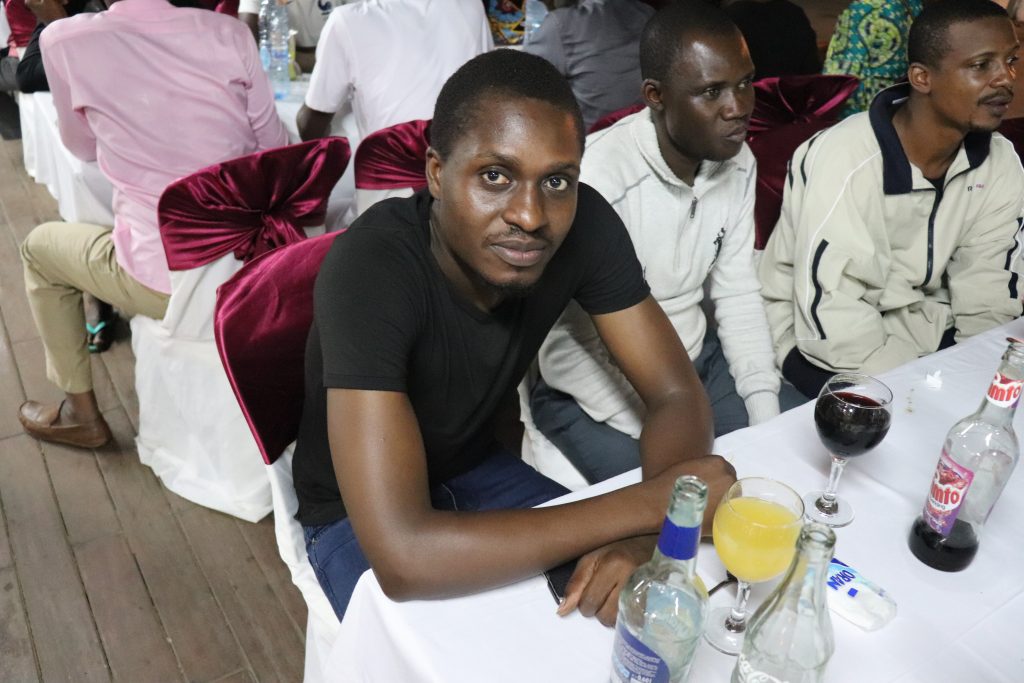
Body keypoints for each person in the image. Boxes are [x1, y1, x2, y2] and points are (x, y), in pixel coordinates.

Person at [292, 48, 736, 623]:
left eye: (556, 180)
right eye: (495, 176)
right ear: (436, 173)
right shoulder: (371, 267)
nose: (530, 215)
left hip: (476, 469)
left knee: (622, 624)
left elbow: (674, 392)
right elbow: (405, 557)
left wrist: (643, 537)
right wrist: (659, 506)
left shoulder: (584, 225)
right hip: (354, 514)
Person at [532, 1, 797, 486]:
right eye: (711, 91)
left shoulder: (738, 160)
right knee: (679, 506)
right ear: (655, 95)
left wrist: (764, 414)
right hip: (592, 389)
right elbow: (568, 341)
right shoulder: (598, 183)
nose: (738, 107)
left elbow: (737, 294)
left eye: (745, 82)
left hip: (696, 360)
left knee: (791, 459)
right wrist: (671, 423)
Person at [17, 0, 289, 448]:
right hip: (254, 261)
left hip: (167, 278)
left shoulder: (64, 38)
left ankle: (80, 414)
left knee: (39, 249)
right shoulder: (230, 33)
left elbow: (82, 149)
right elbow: (275, 147)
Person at [760, 0, 1024, 400]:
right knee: (893, 416)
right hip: (818, 340)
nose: (1005, 78)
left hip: (927, 330)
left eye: (1011, 60)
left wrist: (973, 372)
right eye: (981, 65)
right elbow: (834, 318)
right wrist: (923, 388)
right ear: (922, 77)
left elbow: (988, 290)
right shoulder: (845, 159)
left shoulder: (999, 161)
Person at [296, 0, 493, 142]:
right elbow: (490, 92)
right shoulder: (471, 5)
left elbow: (309, 126)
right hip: (462, 174)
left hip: (390, 180)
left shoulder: (348, 20)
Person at [522, 0, 654, 130]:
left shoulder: (561, 24)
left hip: (592, 136)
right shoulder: (645, 12)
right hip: (643, 129)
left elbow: (521, 81)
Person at [822, 0, 925, 118]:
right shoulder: (913, 4)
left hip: (863, 110)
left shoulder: (863, 8)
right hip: (898, 103)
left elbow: (842, 75)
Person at [237, 0, 349, 73]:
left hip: (338, 76)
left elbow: (353, 50)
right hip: (284, 82)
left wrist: (284, 60)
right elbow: (246, 47)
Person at [723, 0, 820, 79]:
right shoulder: (795, 14)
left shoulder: (730, 18)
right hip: (792, 93)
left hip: (754, 94)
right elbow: (811, 68)